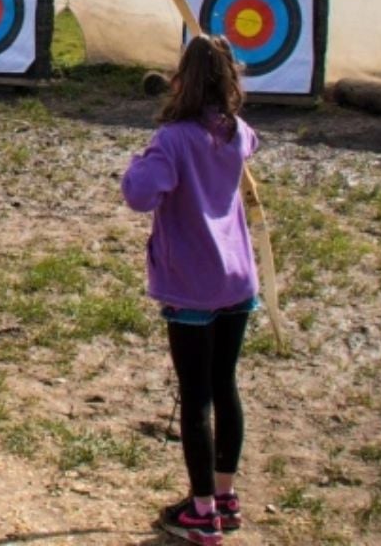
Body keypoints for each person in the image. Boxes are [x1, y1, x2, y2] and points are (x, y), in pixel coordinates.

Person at [121, 35, 259, 546]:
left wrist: (143, 158)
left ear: (182, 80)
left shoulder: (173, 140)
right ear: (229, 82)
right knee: (224, 385)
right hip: (237, 283)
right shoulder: (237, 131)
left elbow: (139, 194)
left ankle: (202, 513)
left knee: (198, 396)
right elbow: (251, 144)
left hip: (193, 288)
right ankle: (223, 496)